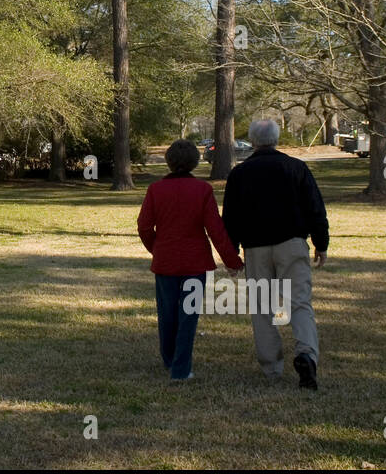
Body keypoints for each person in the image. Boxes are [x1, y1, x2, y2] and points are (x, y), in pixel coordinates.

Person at [221, 120, 329, 390]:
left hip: (256, 247)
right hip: (292, 242)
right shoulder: (296, 167)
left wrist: (231, 254)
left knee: (262, 308)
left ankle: (271, 367)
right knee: (300, 303)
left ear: (254, 141)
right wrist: (321, 242)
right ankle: (306, 355)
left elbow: (231, 218)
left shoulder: (240, 174)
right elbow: (315, 207)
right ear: (276, 139)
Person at [137, 139, 244, 382]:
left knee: (166, 313)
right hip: (194, 263)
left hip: (166, 261)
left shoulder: (156, 190)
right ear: (195, 162)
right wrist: (232, 260)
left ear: (169, 162)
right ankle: (181, 368)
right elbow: (216, 230)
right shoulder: (203, 190)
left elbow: (144, 226)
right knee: (188, 315)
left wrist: (157, 249)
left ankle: (169, 359)